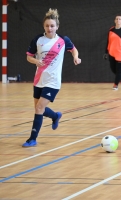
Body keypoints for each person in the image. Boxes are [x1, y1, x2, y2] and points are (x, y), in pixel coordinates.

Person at [23, 8, 81, 147]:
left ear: (57, 26)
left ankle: (32, 139)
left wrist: (76, 57)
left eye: (52, 26)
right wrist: (36, 61)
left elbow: (73, 49)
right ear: (44, 26)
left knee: (39, 109)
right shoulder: (38, 40)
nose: (50, 28)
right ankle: (55, 116)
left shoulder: (63, 40)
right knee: (38, 108)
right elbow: (29, 57)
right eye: (47, 26)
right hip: (39, 79)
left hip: (53, 81)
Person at [103, 15, 121, 90]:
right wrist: (106, 52)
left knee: (119, 70)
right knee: (113, 69)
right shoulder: (111, 30)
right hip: (112, 52)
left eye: (120, 19)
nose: (118, 20)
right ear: (115, 21)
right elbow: (108, 42)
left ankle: (115, 85)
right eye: (117, 19)